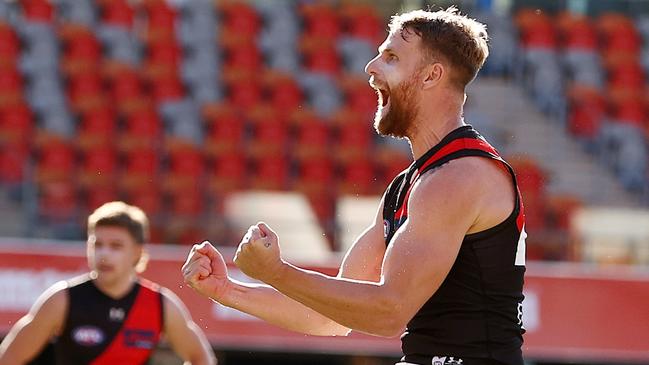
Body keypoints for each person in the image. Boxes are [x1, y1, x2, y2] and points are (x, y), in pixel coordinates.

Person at [182, 7, 526, 365]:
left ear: (431, 76)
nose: (371, 67)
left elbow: (389, 312)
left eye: (391, 57)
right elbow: (329, 318)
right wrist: (227, 290)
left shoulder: (459, 176)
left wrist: (276, 271)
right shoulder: (412, 184)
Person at [0, 201, 216, 365]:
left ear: (137, 252)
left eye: (116, 246)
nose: (104, 254)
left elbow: (201, 357)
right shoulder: (61, 300)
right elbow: (8, 359)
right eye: (97, 244)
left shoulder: (161, 305)